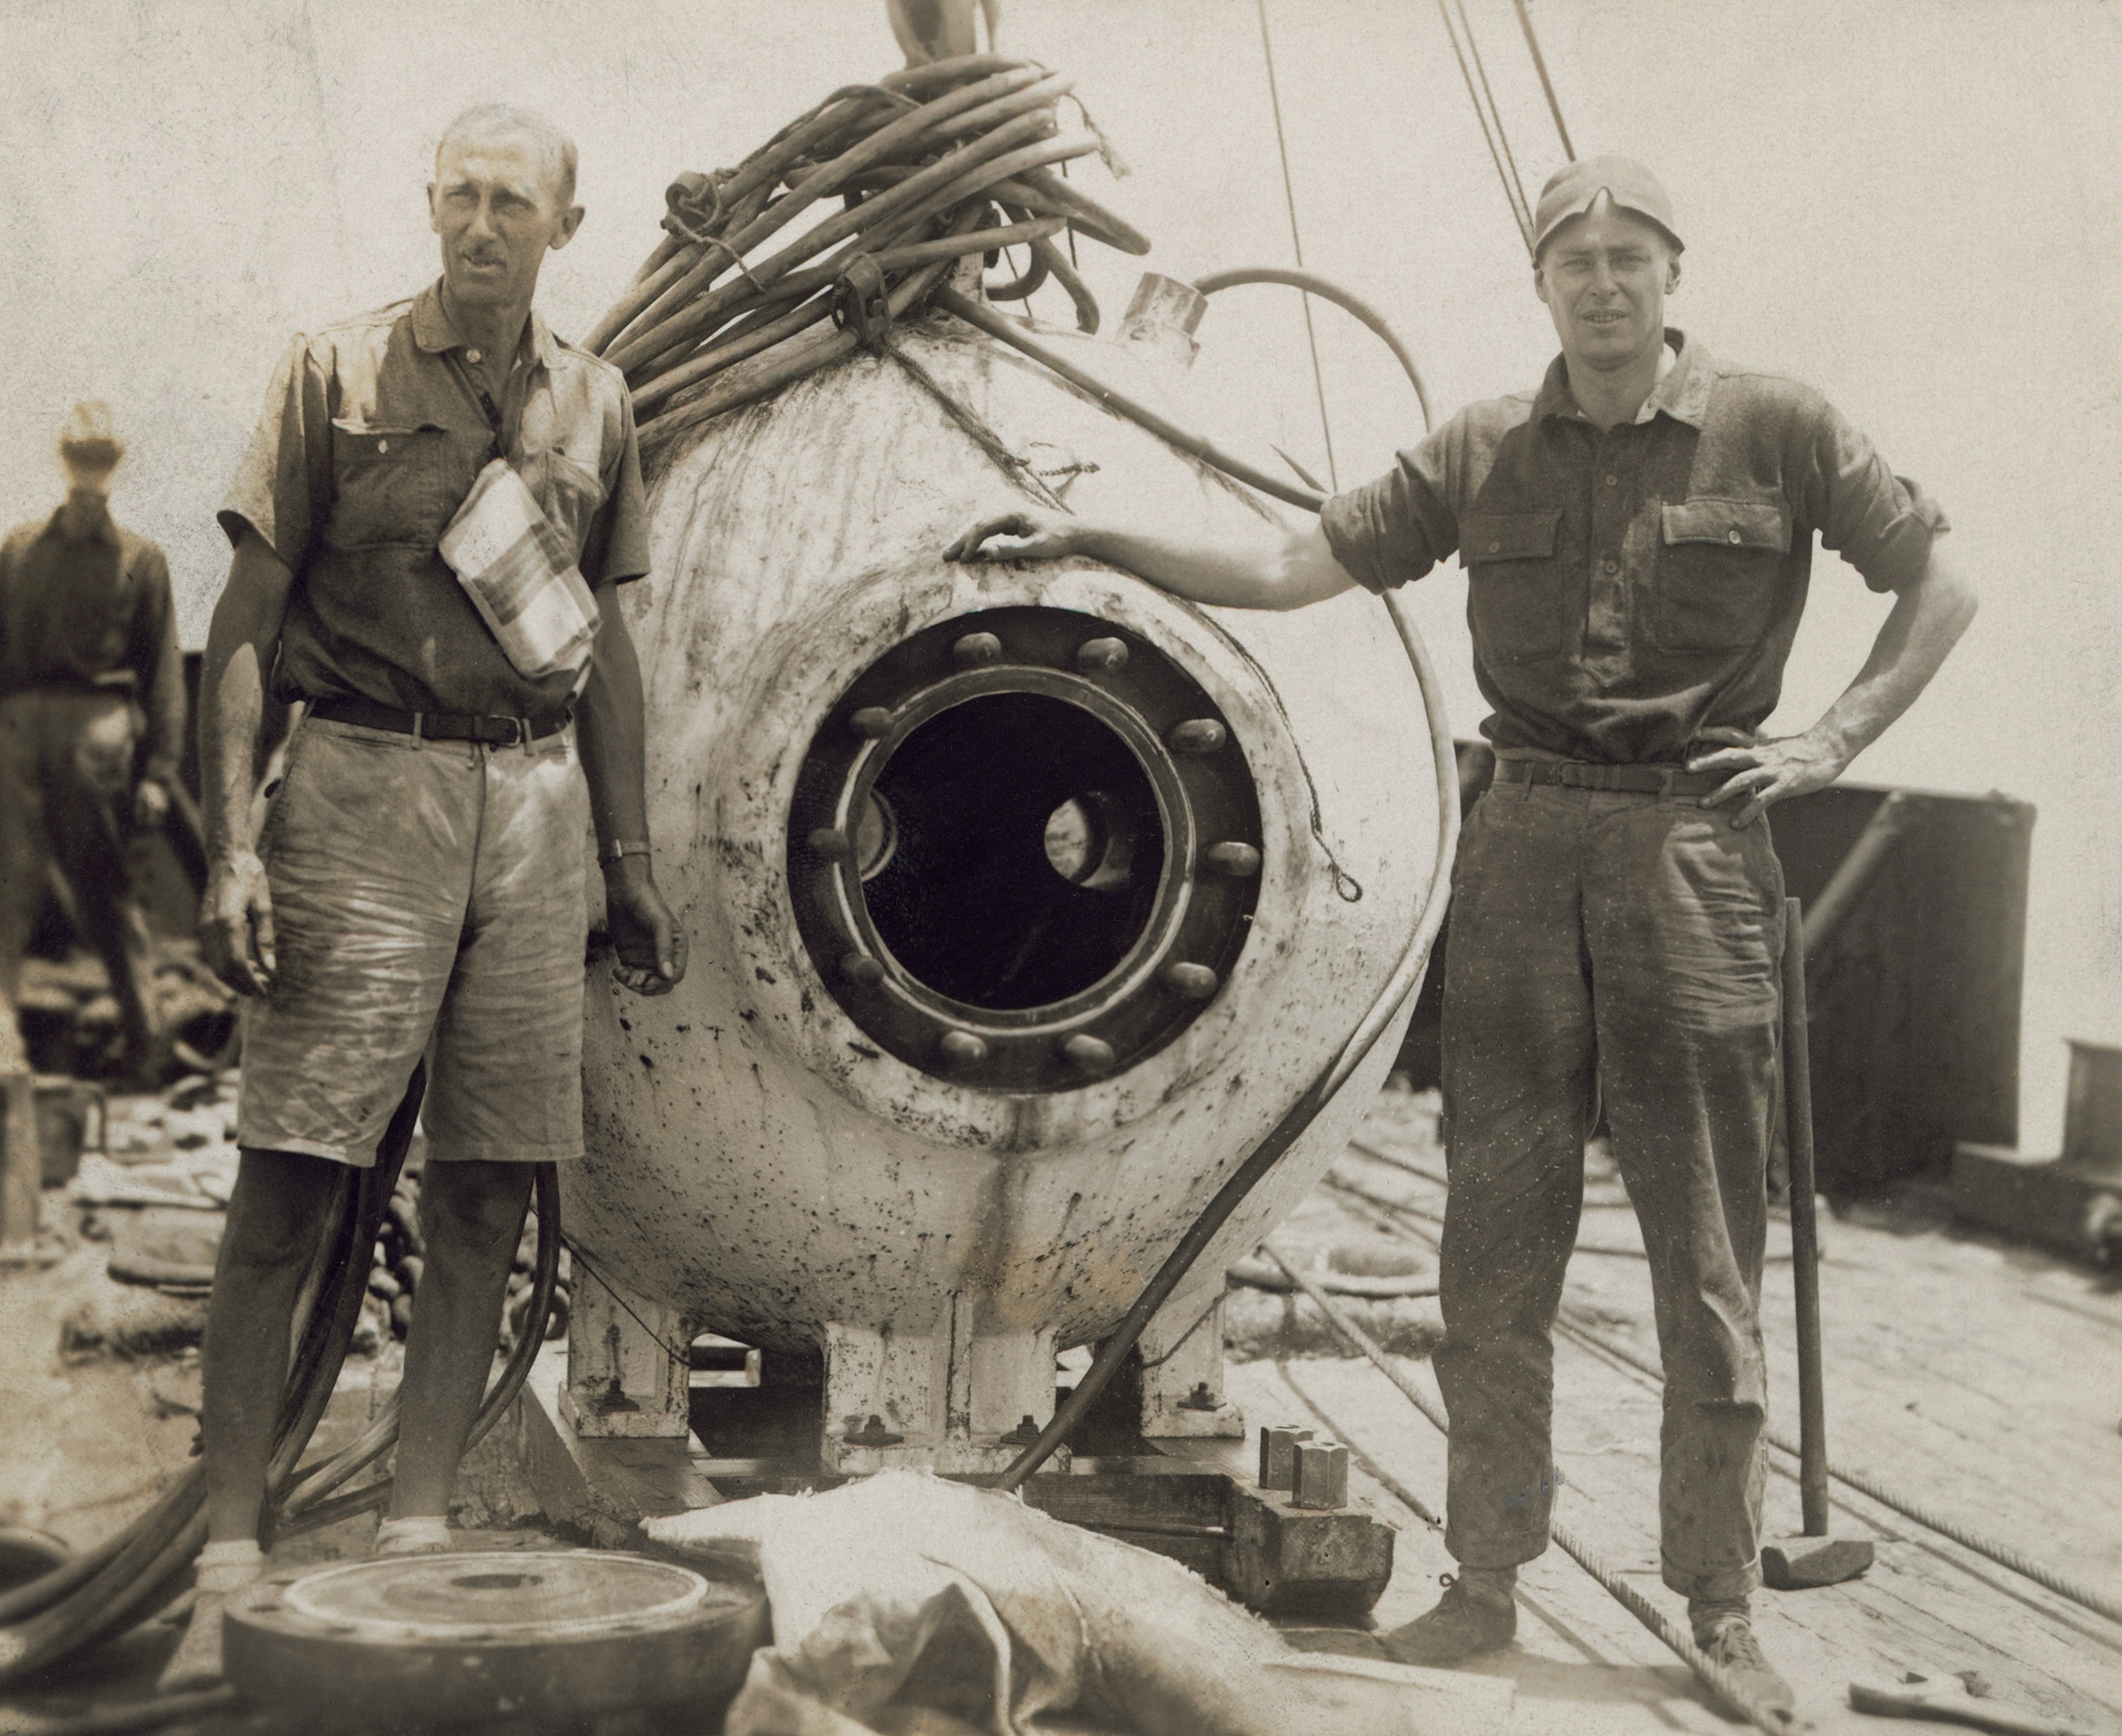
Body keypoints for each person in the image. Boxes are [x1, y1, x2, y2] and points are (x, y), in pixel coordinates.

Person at [946, 157, 1976, 1712]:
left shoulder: (1783, 426)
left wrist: (1829, 741)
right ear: (1544, 281)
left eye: (1633, 256)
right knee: (1495, 1247)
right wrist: (1099, 545)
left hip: (1694, 853)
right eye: (1579, 259)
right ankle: (1483, 1577)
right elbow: (1299, 561)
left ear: (1675, 273)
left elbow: (1941, 585)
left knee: (1703, 1253)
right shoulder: (1484, 447)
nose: (1607, 283)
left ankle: (1718, 1601)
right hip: (1520, 850)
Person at [167, 104, 687, 1689]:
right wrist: (235, 847)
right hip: (359, 788)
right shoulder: (335, 377)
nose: (476, 225)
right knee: (294, 1175)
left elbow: (603, 655)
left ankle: (415, 1525)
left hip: (526, 803)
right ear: (430, 210)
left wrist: (629, 857)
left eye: (508, 203)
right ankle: (228, 1547)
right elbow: (244, 623)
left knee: (487, 1181)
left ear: (562, 227)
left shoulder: (596, 402)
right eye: (456, 196)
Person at [0, 403, 184, 1084]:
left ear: (116, 464)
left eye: (101, 454)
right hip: (17, 732)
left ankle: (148, 1043)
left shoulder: (141, 560)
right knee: (7, 889)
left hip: (95, 734)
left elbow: (163, 672)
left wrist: (160, 772)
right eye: (81, 452)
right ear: (64, 459)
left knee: (106, 891)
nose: (89, 466)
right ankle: (1, 1047)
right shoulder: (19, 550)